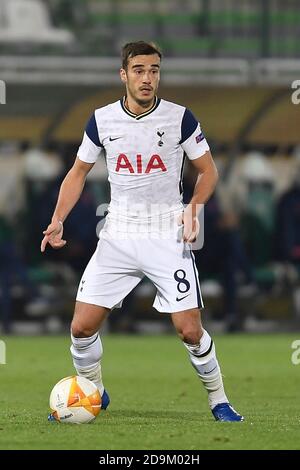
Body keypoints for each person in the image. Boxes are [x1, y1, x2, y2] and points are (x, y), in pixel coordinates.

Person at [41, 41, 243, 422]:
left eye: (154, 70)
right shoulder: (101, 120)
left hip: (167, 232)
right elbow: (78, 172)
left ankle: (219, 400)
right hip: (118, 231)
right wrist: (58, 219)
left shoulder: (180, 118)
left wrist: (193, 208)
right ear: (124, 74)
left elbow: (209, 170)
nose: (147, 78)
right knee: (81, 326)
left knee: (188, 330)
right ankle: (93, 392)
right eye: (139, 70)